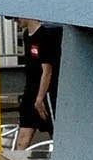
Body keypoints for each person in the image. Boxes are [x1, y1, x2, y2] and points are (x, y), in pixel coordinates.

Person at [15, 19, 61, 148]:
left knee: (55, 133)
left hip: (44, 92)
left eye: (15, 17)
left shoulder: (44, 35)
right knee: (23, 135)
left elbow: (47, 71)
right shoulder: (26, 35)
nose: (14, 21)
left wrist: (40, 98)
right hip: (30, 90)